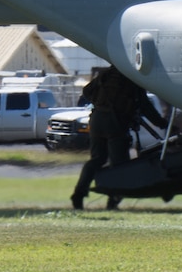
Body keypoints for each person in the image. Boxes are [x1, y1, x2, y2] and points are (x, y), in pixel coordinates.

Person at [71, 67, 165, 211]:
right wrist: (162, 123)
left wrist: (101, 104)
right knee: (120, 165)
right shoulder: (133, 78)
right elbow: (146, 106)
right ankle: (113, 199)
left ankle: (79, 193)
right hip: (115, 123)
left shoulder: (107, 74)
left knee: (97, 159)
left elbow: (87, 91)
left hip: (97, 120)